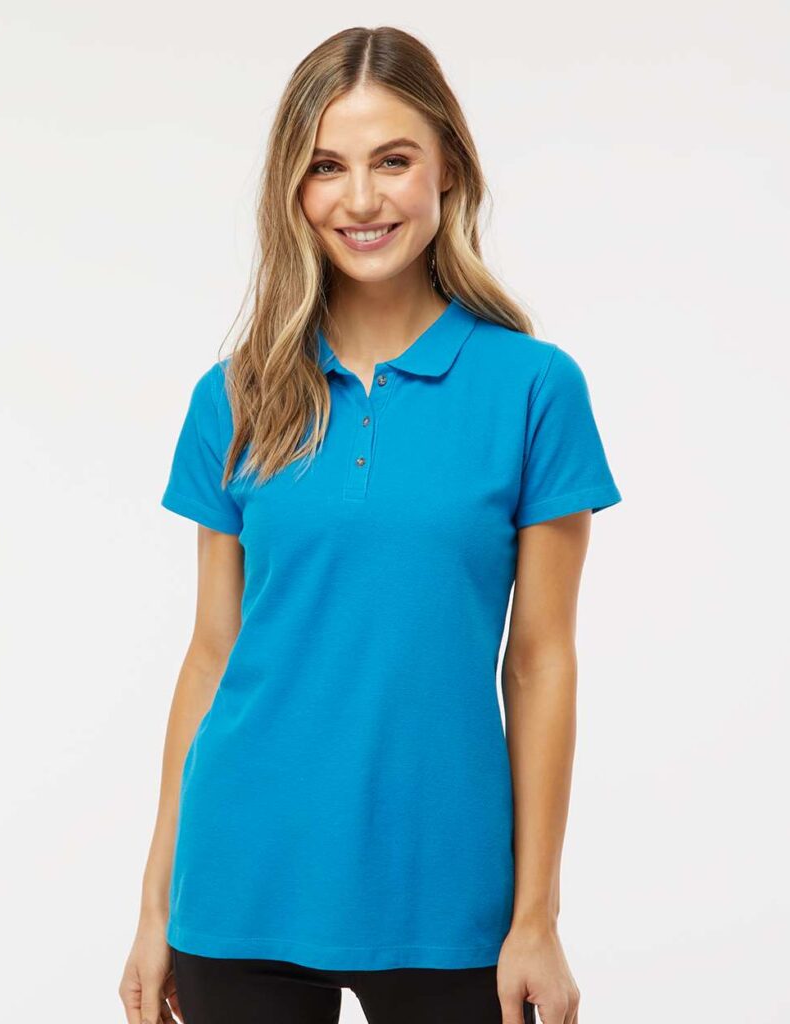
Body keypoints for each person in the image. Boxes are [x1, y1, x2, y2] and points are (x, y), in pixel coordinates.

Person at [118, 24, 622, 1024]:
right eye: (326, 167)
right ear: (293, 190)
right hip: (240, 883)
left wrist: (536, 916)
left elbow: (539, 663)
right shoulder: (235, 396)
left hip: (447, 897)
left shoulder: (533, 388)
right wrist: (153, 903)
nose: (359, 199)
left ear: (448, 168)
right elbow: (213, 653)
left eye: (392, 160)